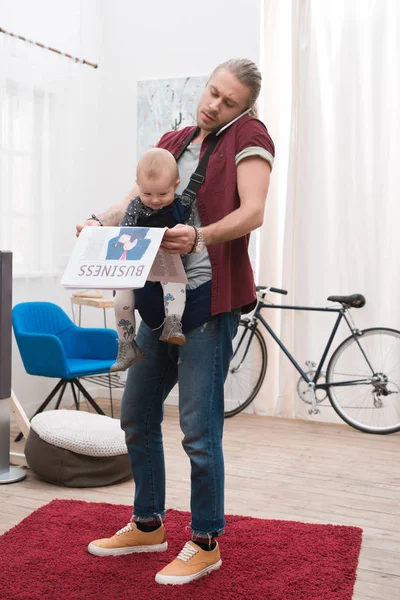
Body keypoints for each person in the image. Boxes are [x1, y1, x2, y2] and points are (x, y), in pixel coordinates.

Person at [77, 58, 274, 586]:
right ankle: (148, 524)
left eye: (228, 101)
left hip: (209, 301)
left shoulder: (250, 135)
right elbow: (137, 201)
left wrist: (202, 237)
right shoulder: (175, 137)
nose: (214, 104)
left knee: (197, 431)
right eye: (212, 92)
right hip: (155, 299)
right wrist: (99, 223)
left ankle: (206, 540)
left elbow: (253, 210)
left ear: (245, 107)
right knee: (137, 412)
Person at [108, 149, 190, 372]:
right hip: (137, 265)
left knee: (175, 284)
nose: (154, 201)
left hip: (168, 263)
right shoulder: (135, 206)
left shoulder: (182, 206)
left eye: (163, 194)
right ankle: (127, 344)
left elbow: (190, 237)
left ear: (176, 184)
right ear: (138, 185)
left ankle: (173, 323)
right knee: (120, 302)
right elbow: (124, 233)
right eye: (147, 194)